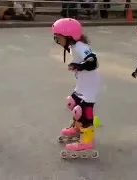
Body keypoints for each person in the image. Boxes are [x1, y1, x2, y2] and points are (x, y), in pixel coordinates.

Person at [52, 18, 100, 159]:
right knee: (72, 102)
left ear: (69, 36)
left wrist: (79, 66)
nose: (56, 40)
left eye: (58, 37)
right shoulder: (73, 46)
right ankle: (77, 127)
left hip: (89, 86)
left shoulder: (80, 47)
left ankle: (87, 141)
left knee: (82, 111)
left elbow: (93, 60)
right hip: (82, 84)